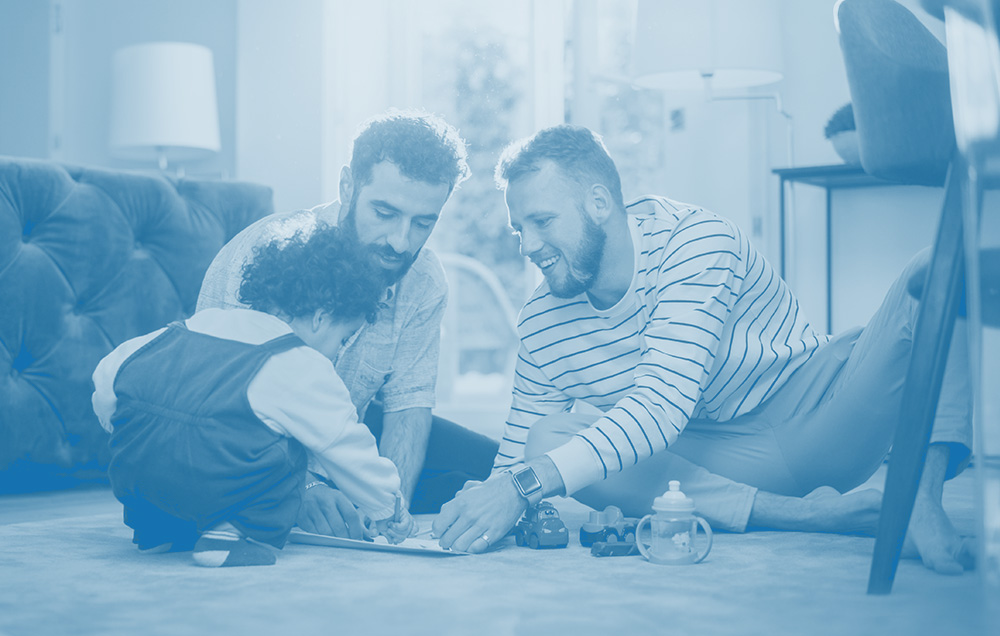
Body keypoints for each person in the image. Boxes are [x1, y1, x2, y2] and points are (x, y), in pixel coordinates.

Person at [433, 124, 974, 576]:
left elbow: (660, 408)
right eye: (518, 229)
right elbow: (516, 456)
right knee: (545, 439)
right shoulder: (542, 319)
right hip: (715, 465)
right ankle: (820, 516)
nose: (529, 246)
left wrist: (524, 485)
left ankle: (919, 501)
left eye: (542, 222)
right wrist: (482, 503)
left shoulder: (694, 240)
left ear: (599, 202)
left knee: (935, 269)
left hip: (819, 413)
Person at [197, 110, 499, 539]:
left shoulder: (425, 280)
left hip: (349, 426)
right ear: (347, 186)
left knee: (493, 470)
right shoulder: (263, 255)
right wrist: (300, 487)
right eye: (385, 212)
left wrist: (391, 512)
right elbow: (216, 408)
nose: (401, 241)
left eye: (422, 223)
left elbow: (408, 406)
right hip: (247, 434)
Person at [92, 226, 416, 567]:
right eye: (343, 338)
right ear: (320, 319)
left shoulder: (197, 324)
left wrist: (126, 429)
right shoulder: (300, 363)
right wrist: (387, 506)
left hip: (133, 475)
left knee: (165, 436)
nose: (337, 352)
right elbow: (347, 448)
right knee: (291, 455)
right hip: (210, 480)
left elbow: (109, 376)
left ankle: (157, 533)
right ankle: (227, 537)